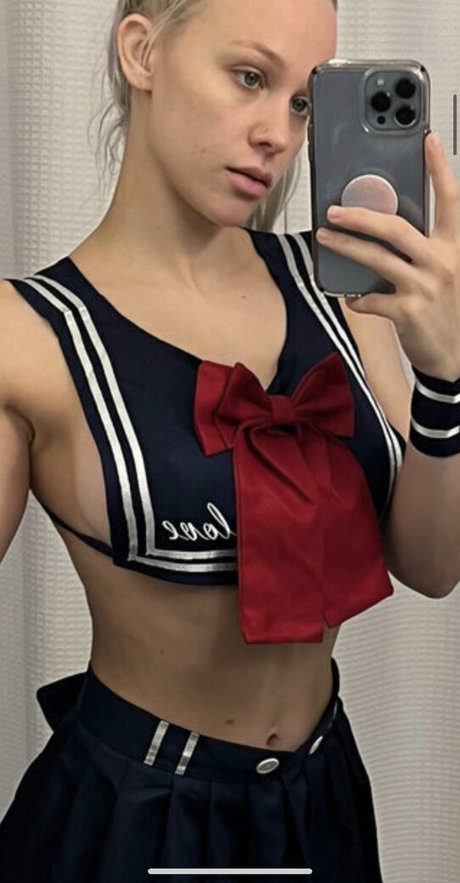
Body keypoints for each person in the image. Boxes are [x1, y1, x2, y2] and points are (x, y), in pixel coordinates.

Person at [1, 0, 459, 881]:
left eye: (301, 101)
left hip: (324, 808)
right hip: (134, 819)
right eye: (249, 77)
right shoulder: (28, 336)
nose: (277, 134)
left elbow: (434, 565)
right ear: (142, 52)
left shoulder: (344, 293)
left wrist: (447, 372)